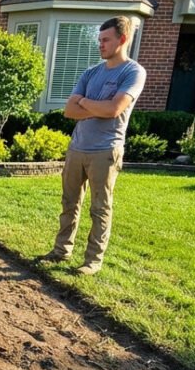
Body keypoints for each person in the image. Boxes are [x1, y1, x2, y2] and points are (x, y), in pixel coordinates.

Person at [38, 16, 146, 276]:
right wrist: (95, 106)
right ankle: (61, 250)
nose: (101, 45)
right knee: (69, 203)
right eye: (99, 40)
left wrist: (85, 102)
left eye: (106, 40)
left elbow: (114, 109)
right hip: (78, 147)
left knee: (100, 207)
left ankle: (92, 261)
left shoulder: (133, 72)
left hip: (105, 150)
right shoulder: (91, 72)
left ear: (122, 39)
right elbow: (68, 111)